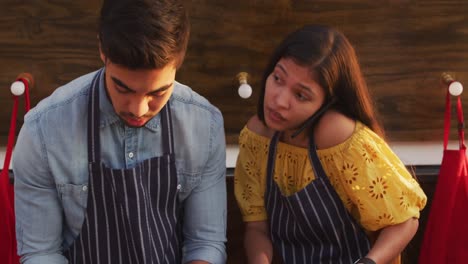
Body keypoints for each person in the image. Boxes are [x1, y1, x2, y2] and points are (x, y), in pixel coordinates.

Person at [13, 0, 227, 263]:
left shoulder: (204, 126)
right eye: (123, 88)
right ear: (103, 49)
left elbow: (205, 243)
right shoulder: (43, 132)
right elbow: (41, 253)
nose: (138, 109)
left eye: (157, 92)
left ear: (180, 58)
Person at [234, 24, 427, 264]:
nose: (279, 100)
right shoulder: (257, 137)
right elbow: (257, 229)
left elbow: (405, 222)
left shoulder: (337, 134)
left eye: (301, 95)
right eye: (278, 78)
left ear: (326, 103)